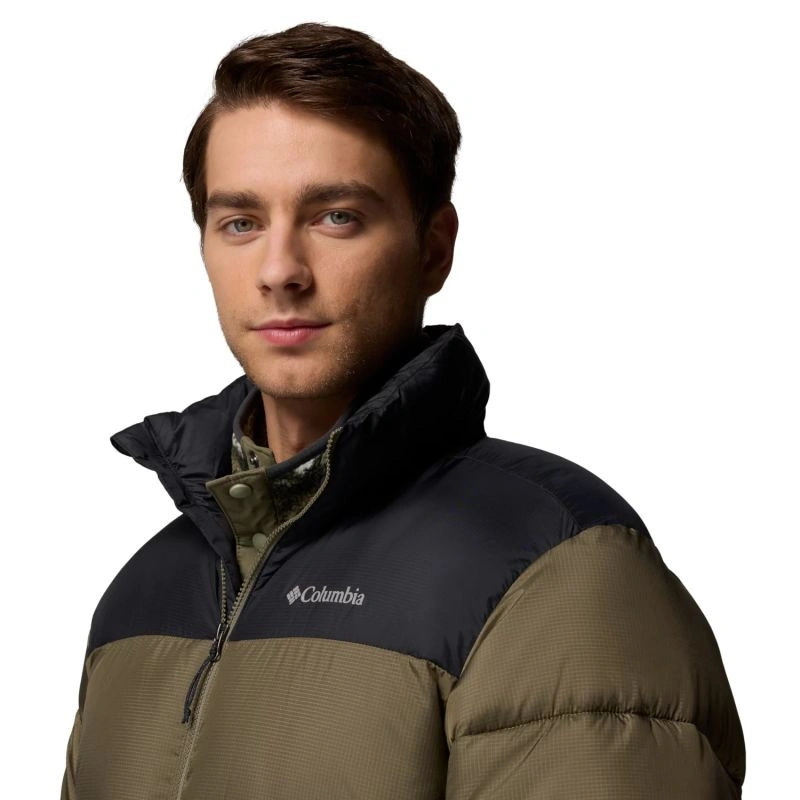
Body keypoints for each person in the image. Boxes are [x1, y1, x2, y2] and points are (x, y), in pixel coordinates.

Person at [61, 21, 746, 800]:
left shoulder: (558, 567)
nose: (280, 270)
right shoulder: (143, 592)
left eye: (336, 216)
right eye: (241, 223)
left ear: (433, 249)